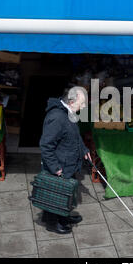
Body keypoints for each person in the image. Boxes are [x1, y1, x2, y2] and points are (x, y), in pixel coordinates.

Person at [39, 87, 91, 234]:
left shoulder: (70, 112)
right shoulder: (57, 118)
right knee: (55, 194)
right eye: (82, 103)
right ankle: (52, 223)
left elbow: (75, 135)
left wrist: (84, 151)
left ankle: (64, 217)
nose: (84, 107)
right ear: (71, 101)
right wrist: (55, 167)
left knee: (65, 193)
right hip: (60, 165)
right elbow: (46, 145)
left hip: (68, 162)